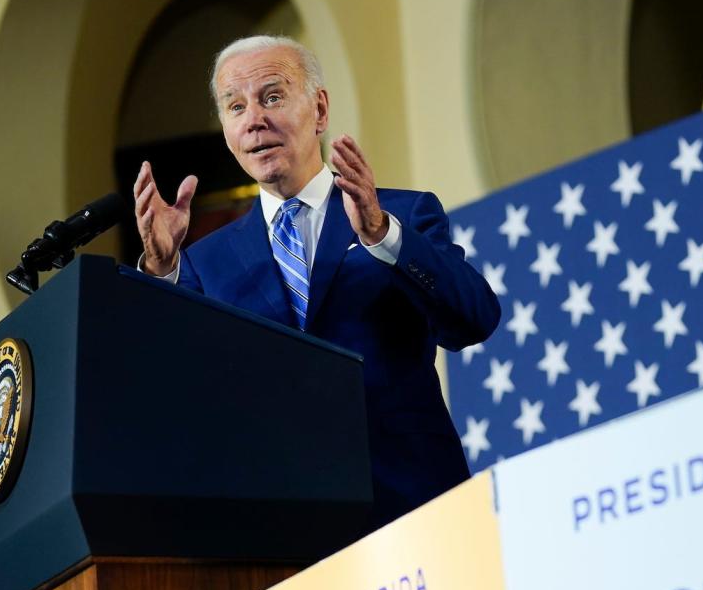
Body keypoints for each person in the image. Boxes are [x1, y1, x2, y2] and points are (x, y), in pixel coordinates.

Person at [133, 35, 500, 530]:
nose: (254, 119)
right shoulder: (202, 263)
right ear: (226, 130)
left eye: (272, 97)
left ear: (320, 110)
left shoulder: (402, 215)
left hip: (415, 509)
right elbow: (170, 391)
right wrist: (160, 274)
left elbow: (473, 319)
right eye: (235, 106)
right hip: (281, 535)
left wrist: (382, 235)